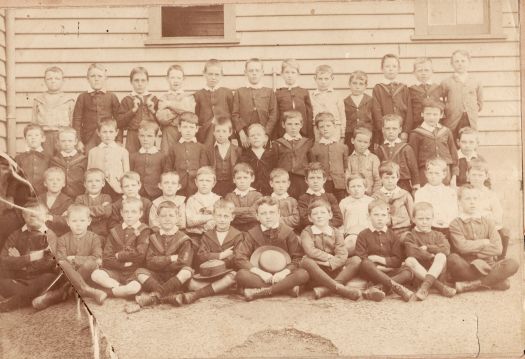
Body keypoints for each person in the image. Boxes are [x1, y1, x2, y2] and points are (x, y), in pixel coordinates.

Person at [234, 196, 310, 301]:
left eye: (271, 212)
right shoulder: (252, 233)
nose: (268, 216)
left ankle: (261, 291)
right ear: (257, 216)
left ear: (278, 214)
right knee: (241, 275)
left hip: (284, 274)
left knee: (303, 274)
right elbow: (240, 257)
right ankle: (286, 289)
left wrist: (284, 273)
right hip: (261, 275)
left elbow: (297, 258)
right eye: (263, 213)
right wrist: (260, 273)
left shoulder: (288, 232)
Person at [447, 185, 518, 293]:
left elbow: (498, 249)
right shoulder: (455, 224)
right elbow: (462, 247)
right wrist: (484, 242)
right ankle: (492, 281)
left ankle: (472, 284)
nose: (472, 202)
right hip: (467, 265)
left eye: (475, 198)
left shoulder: (488, 222)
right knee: (452, 259)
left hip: (488, 266)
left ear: (479, 201)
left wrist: (476, 251)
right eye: (468, 199)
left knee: (513, 263)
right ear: (459, 202)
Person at [173, 199, 241, 305]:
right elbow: (201, 255)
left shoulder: (238, 235)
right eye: (219, 216)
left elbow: (237, 256)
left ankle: (197, 295)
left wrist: (218, 262)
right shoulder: (207, 235)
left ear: (232, 217)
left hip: (227, 272)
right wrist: (221, 255)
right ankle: (219, 288)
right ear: (213, 216)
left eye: (226, 216)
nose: (222, 220)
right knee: (190, 283)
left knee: (233, 276)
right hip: (209, 274)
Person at [0, 201, 60, 312]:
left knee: (48, 278)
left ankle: (15, 300)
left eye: (37, 213)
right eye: (28, 213)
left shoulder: (49, 235)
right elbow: (3, 260)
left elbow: (47, 264)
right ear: (23, 215)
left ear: (45, 216)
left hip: (39, 277)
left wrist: (19, 260)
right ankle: (22, 297)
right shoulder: (16, 234)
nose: (33, 215)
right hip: (17, 277)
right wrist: (31, 257)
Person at [134, 201, 196, 307]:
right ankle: (167, 297)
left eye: (171, 215)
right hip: (157, 276)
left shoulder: (184, 239)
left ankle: (155, 296)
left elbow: (183, 263)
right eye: (163, 216)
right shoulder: (153, 238)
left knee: (187, 271)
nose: (167, 219)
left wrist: (160, 261)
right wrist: (170, 258)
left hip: (175, 277)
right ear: (158, 219)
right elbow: (149, 262)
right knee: (140, 272)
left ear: (177, 218)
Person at [299, 199, 362, 300]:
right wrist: (328, 257)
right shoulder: (307, 232)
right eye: (315, 214)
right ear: (310, 218)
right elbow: (310, 250)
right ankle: (340, 288)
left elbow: (342, 254)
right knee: (306, 261)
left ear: (330, 215)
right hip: (316, 269)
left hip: (332, 268)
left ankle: (327, 289)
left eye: (323, 212)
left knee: (356, 260)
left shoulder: (336, 232)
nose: (319, 216)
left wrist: (331, 263)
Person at [355, 199, 415, 302]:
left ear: (388, 218)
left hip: (389, 271)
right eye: (376, 215)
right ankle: (396, 287)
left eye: (383, 215)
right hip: (371, 271)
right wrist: (378, 268)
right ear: (369, 216)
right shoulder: (363, 234)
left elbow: (397, 260)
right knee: (365, 263)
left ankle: (377, 289)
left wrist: (379, 259)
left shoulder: (392, 235)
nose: (380, 218)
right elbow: (362, 257)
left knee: (408, 272)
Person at [91, 197, 149, 299]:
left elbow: (140, 255)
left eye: (133, 212)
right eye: (126, 211)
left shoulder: (144, 230)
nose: (129, 215)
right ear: (121, 213)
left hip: (134, 272)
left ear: (140, 214)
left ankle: (109, 293)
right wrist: (123, 264)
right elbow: (107, 258)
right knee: (95, 274)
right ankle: (121, 289)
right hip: (115, 271)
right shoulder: (114, 231)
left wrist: (119, 255)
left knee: (134, 287)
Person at [56, 203, 107, 304]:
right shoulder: (62, 239)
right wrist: (68, 261)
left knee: (91, 263)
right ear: (68, 222)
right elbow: (61, 259)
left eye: (82, 220)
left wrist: (74, 259)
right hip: (67, 274)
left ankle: (63, 291)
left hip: (87, 275)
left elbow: (97, 257)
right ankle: (86, 290)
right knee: (62, 263)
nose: (78, 224)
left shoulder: (94, 237)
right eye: (74, 221)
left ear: (89, 221)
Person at [403, 202, 456, 300]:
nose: (424, 222)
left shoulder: (438, 234)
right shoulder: (410, 235)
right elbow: (411, 251)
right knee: (409, 260)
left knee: (441, 256)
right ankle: (440, 287)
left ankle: (425, 287)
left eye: (428, 219)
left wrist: (428, 248)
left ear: (432, 219)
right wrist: (431, 256)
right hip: (419, 274)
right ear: (413, 219)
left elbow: (446, 249)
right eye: (420, 219)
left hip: (438, 272)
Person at [467, 159, 510, 260]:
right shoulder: (464, 192)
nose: (476, 178)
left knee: (505, 232)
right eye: (473, 175)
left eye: (480, 175)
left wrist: (492, 220)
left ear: (486, 176)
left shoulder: (490, 194)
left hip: (489, 224)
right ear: (468, 175)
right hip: (471, 225)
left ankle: (500, 259)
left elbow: (498, 213)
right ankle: (479, 258)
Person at [408, 98, 458, 185]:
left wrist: (454, 176)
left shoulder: (446, 132)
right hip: (425, 174)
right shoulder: (416, 134)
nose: (431, 117)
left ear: (441, 115)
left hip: (445, 174)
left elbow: (454, 155)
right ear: (422, 114)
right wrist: (416, 182)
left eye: (435, 114)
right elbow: (413, 161)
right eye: (428, 114)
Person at [72, 63, 120, 151]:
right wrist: (78, 140)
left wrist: (119, 140)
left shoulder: (111, 96)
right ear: (88, 79)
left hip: (107, 137)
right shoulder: (82, 97)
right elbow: (76, 120)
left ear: (105, 78)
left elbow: (119, 120)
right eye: (93, 76)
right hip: (88, 137)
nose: (96, 79)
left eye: (100, 76)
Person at [232, 58, 277, 148]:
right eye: (251, 70)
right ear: (245, 72)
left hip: (263, 135)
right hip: (245, 136)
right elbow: (235, 115)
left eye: (257, 70)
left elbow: (274, 114)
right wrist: (241, 133)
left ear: (262, 72)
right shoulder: (239, 92)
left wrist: (267, 135)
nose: (254, 73)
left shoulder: (269, 92)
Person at [32, 66, 75, 156]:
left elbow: (72, 123)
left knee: (62, 160)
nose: (53, 81)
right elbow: (34, 123)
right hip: (44, 137)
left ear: (63, 81)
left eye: (57, 78)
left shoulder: (68, 100)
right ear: (45, 81)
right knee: (45, 160)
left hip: (62, 136)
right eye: (49, 78)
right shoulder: (39, 99)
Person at [441, 50, 483, 139]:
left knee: (469, 140)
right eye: (457, 61)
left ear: (469, 62)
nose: (460, 64)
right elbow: (441, 101)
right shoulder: (446, 82)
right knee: (453, 141)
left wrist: (473, 109)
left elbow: (480, 102)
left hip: (470, 118)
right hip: (452, 119)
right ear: (452, 64)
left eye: (463, 61)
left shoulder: (475, 81)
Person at [371, 54, 413, 144]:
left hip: (401, 132)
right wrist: (382, 130)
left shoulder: (404, 88)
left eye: (394, 66)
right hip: (385, 132)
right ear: (382, 69)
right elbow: (376, 112)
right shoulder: (378, 88)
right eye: (387, 66)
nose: (391, 69)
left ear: (399, 69)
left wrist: (405, 131)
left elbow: (409, 111)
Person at [308, 112, 349, 202]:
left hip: (340, 185)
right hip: (324, 185)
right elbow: (314, 170)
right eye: (322, 127)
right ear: (318, 129)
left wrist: (346, 185)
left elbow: (346, 168)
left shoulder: (343, 147)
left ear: (334, 126)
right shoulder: (314, 149)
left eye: (328, 126)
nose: (325, 129)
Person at [117, 67, 158, 154]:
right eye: (136, 80)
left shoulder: (153, 99)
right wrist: (133, 110)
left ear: (147, 81)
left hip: (149, 136)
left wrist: (152, 110)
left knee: (149, 159)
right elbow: (120, 122)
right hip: (133, 136)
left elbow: (160, 122)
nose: (140, 84)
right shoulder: (127, 99)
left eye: (143, 80)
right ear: (131, 82)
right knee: (132, 159)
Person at [193, 59, 234, 147]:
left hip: (223, 133)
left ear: (221, 75)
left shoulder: (227, 93)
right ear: (204, 74)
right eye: (210, 74)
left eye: (216, 74)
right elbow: (196, 116)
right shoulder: (198, 95)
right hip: (204, 134)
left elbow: (232, 113)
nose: (213, 77)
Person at [414, 158, 459, 238]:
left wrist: (445, 222)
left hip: (447, 227)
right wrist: (433, 223)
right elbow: (419, 213)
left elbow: (454, 212)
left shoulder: (450, 192)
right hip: (428, 228)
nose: (433, 176)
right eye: (430, 173)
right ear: (426, 174)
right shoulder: (420, 193)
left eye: (437, 173)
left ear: (444, 174)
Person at [156, 64, 196, 154]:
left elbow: (190, 112)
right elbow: (161, 117)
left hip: (185, 133)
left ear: (183, 79)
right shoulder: (163, 97)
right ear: (167, 79)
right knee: (167, 158)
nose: (176, 81)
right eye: (172, 78)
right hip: (168, 133)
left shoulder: (189, 96)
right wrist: (181, 109)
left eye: (178, 78)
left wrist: (169, 104)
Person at [274, 110, 313, 199]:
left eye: (296, 124)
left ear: (301, 125)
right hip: (284, 181)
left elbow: (311, 163)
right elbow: (274, 164)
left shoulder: (307, 143)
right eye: (289, 124)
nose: (293, 127)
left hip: (302, 180)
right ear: (283, 125)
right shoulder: (277, 143)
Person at [167, 111, 208, 197]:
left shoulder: (201, 147)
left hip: (196, 187)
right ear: (179, 128)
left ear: (196, 129)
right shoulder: (173, 148)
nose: (188, 130)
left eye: (191, 127)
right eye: (185, 127)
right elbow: (168, 169)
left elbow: (204, 169)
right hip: (178, 186)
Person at [87, 119, 130, 200]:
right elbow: (89, 173)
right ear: (98, 133)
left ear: (116, 132)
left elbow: (127, 174)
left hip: (117, 188)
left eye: (111, 132)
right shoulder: (92, 152)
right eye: (104, 132)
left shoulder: (122, 151)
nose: (108, 135)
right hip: (98, 188)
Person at [376, 114, 419, 194]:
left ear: (400, 129)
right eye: (388, 128)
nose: (391, 131)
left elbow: (414, 169)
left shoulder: (406, 148)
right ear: (383, 130)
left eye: (394, 128)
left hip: (403, 184)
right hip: (385, 184)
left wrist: (415, 185)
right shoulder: (380, 149)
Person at [274, 59, 313, 139]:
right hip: (283, 132)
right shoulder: (278, 93)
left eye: (293, 72)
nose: (290, 75)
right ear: (282, 74)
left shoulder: (303, 92)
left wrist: (309, 134)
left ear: (298, 74)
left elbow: (309, 114)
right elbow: (275, 115)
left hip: (302, 132)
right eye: (287, 72)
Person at [297, 162, 343, 231]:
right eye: (312, 178)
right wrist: (319, 226)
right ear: (306, 180)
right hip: (311, 231)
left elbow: (338, 218)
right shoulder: (303, 199)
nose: (315, 181)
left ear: (324, 179)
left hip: (329, 230)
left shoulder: (330, 197)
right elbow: (304, 220)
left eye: (318, 178)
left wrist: (324, 226)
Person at [372, 161, 413, 237]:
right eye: (386, 178)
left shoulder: (405, 195)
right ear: (381, 179)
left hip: (403, 230)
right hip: (383, 231)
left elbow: (412, 216)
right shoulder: (376, 196)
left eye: (393, 177)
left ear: (398, 178)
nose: (390, 181)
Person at [130, 122, 169, 200]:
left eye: (149, 136)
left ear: (156, 137)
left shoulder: (162, 156)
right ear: (138, 136)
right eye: (142, 136)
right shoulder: (133, 156)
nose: (145, 139)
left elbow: (165, 175)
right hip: (138, 193)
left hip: (156, 193)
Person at [205, 118, 242, 197]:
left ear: (230, 132)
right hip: (214, 186)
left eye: (224, 131)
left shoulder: (237, 150)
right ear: (213, 132)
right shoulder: (209, 150)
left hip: (231, 186)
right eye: (218, 131)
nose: (221, 134)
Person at [238, 123, 277, 196]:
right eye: (252, 135)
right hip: (251, 194)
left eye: (259, 135)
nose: (256, 137)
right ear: (248, 139)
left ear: (265, 138)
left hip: (269, 193)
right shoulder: (244, 157)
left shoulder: (272, 155)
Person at [339, 174, 373, 255]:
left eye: (359, 186)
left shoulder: (371, 201)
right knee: (351, 244)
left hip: (368, 234)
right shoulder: (344, 202)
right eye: (353, 186)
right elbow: (340, 223)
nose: (356, 189)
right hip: (351, 235)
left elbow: (374, 220)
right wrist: (341, 237)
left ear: (365, 188)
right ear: (348, 189)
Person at [11, 124, 50, 196]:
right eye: (29, 135)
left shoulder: (49, 158)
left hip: (44, 195)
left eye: (36, 135)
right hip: (23, 196)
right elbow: (14, 178)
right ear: (25, 139)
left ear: (43, 138)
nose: (33, 138)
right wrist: (11, 196)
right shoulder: (19, 158)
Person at [309, 64, 345, 142]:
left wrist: (342, 134)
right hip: (318, 129)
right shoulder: (311, 96)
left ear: (332, 79)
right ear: (315, 79)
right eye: (320, 79)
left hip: (335, 129)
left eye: (326, 78)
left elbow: (342, 116)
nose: (323, 81)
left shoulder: (337, 95)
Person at [50, 127, 87, 199]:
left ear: (76, 141)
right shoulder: (54, 160)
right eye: (63, 141)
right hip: (59, 197)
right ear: (58, 141)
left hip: (79, 196)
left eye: (70, 141)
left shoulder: (83, 159)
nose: (67, 144)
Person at [225, 163, 263, 232]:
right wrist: (250, 210)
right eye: (239, 178)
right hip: (234, 231)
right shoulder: (229, 196)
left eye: (245, 177)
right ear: (234, 180)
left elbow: (255, 215)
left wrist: (235, 211)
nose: (242, 181)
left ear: (252, 178)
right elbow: (229, 215)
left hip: (254, 230)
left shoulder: (258, 195)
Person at [75, 168, 112, 237]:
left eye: (97, 181)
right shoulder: (80, 198)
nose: (93, 184)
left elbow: (107, 212)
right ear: (85, 184)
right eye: (90, 181)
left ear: (103, 183)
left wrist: (85, 210)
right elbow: (79, 214)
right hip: (84, 234)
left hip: (101, 234)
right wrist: (101, 209)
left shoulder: (106, 197)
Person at [185, 166, 222, 237]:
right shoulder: (192, 200)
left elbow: (220, 218)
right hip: (194, 235)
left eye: (208, 181)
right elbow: (190, 221)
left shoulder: (218, 199)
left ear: (214, 183)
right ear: (196, 182)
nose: (204, 184)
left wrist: (212, 222)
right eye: (201, 180)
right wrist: (211, 217)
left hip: (213, 235)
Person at [409, 58, 444, 129]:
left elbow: (443, 107)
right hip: (417, 125)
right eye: (420, 70)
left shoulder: (439, 88)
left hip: (435, 124)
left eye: (426, 70)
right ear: (414, 72)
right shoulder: (410, 89)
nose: (423, 73)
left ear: (432, 71)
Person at [343, 70, 373, 153]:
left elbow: (374, 119)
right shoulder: (345, 101)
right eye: (354, 83)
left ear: (365, 86)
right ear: (349, 84)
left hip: (367, 135)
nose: (357, 86)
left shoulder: (370, 100)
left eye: (361, 84)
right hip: (350, 135)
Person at [347, 126, 381, 196]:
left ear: (369, 144)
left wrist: (374, 195)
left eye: (365, 142)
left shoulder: (374, 159)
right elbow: (347, 179)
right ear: (352, 140)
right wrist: (351, 194)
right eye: (359, 141)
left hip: (370, 195)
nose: (362, 145)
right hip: (354, 195)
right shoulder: (349, 159)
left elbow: (378, 180)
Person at [39, 167, 72, 236]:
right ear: (45, 183)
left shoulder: (68, 201)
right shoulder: (39, 199)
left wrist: (53, 218)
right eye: (51, 180)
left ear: (63, 184)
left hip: (59, 235)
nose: (55, 182)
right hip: (40, 234)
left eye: (58, 180)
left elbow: (69, 221)